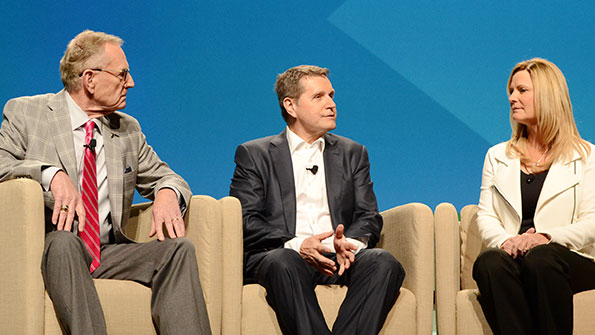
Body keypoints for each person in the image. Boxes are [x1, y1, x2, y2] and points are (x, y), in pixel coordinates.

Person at [0, 30, 211, 335]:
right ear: (89, 79)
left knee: (177, 249)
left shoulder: (126, 129)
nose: (131, 82)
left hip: (108, 252)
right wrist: (51, 175)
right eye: (122, 74)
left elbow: (166, 174)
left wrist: (166, 192)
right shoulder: (27, 113)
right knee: (63, 242)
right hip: (51, 247)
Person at [230, 65, 404, 335]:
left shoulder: (353, 153)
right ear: (291, 106)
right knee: (284, 262)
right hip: (282, 255)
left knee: (383, 262)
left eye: (331, 95)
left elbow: (369, 215)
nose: (331, 104)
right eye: (319, 97)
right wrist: (298, 245)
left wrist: (350, 244)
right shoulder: (255, 154)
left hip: (339, 258)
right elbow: (245, 219)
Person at [472, 58, 595, 335]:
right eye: (511, 92)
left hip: (567, 258)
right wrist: (506, 241)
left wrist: (545, 237)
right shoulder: (497, 156)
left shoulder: (588, 156)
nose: (512, 98)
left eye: (522, 91)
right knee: (489, 262)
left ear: (548, 96)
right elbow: (486, 215)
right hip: (514, 256)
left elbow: (592, 222)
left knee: (541, 258)